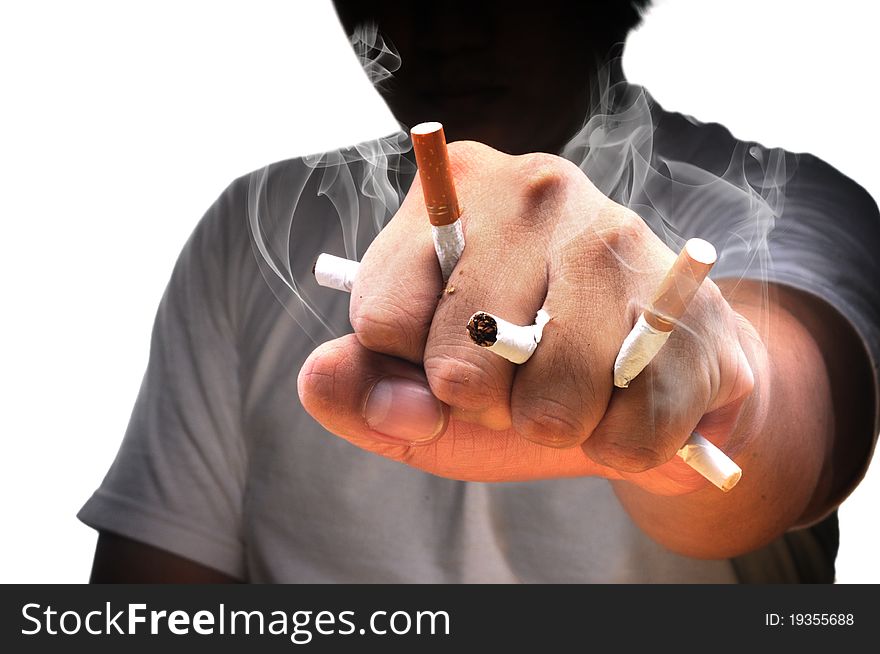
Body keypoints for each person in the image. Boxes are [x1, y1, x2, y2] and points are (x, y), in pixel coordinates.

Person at [80, 1, 878, 582]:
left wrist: (718, 383)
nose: (445, 22)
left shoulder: (796, 206)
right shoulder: (251, 236)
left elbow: (787, 415)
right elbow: (153, 596)